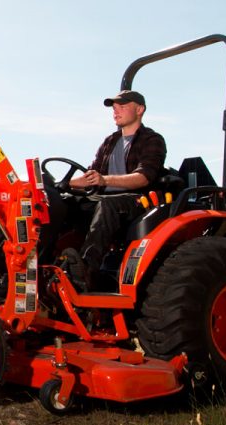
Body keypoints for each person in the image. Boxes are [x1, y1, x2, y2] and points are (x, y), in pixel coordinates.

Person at [66, 90, 166, 288]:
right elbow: (91, 175)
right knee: (65, 201)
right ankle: (50, 262)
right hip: (103, 196)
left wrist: (104, 180)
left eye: (122, 106)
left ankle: (85, 269)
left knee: (106, 204)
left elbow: (143, 177)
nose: (115, 111)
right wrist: (65, 184)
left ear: (139, 109)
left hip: (137, 199)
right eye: (114, 108)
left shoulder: (152, 140)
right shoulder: (110, 141)